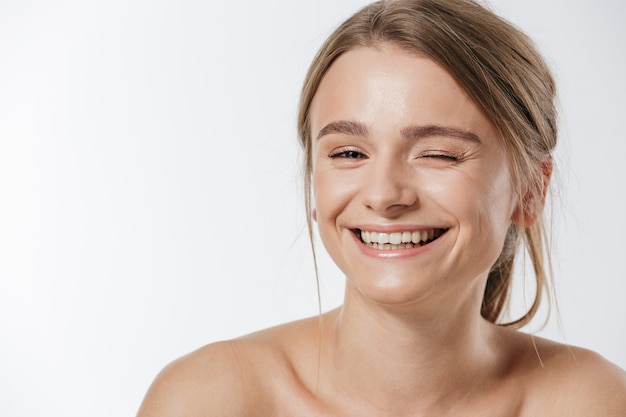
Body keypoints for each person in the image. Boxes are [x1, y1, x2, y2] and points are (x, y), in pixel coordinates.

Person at [137, 0, 626, 415]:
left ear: (529, 191)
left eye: (438, 154)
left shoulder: (593, 402)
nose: (384, 194)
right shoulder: (210, 400)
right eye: (349, 153)